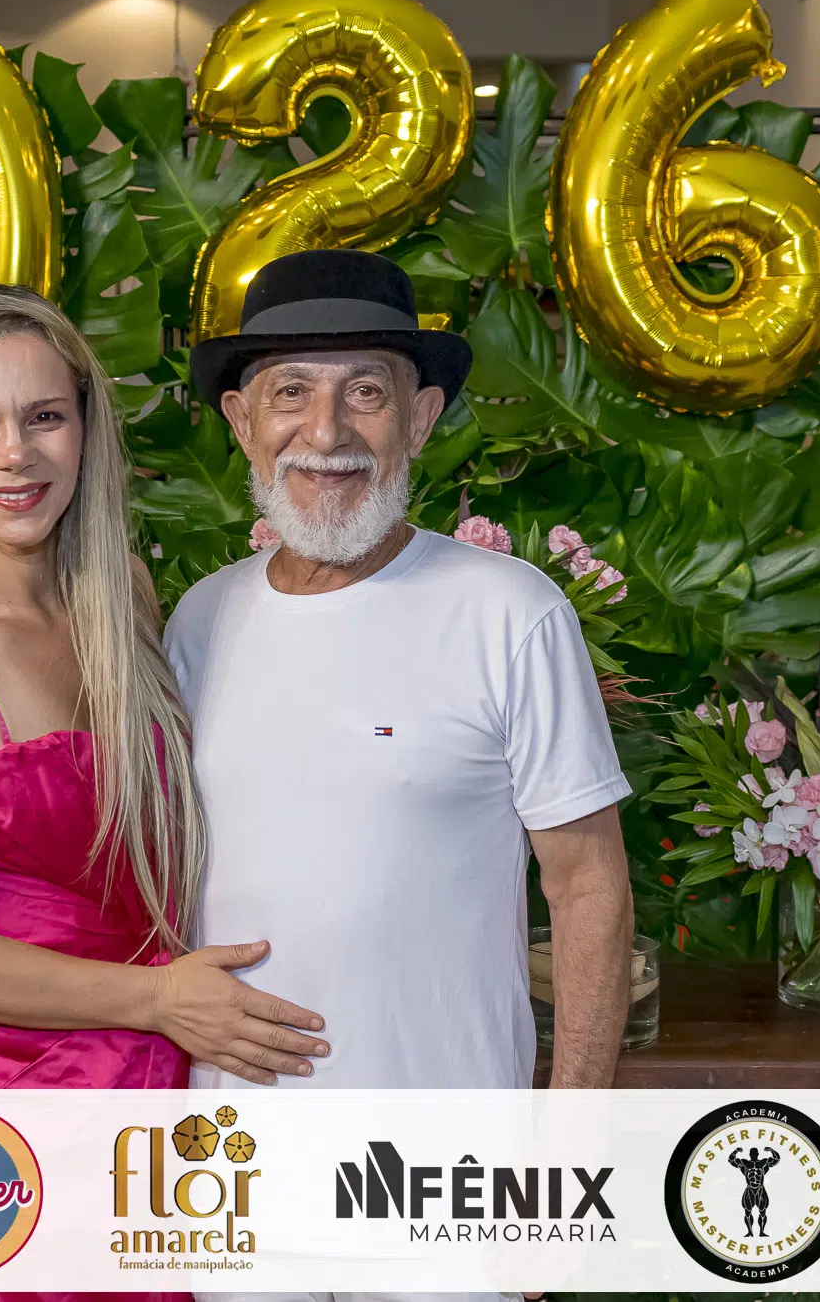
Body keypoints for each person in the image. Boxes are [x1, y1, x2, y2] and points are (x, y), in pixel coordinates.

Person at [0, 284, 328, 1107]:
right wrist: (159, 997)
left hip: (169, 1078)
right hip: (3, 1100)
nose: (14, 452)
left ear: (85, 429)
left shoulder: (122, 596)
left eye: (44, 417)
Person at [167, 249, 636, 1107]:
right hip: (231, 1145)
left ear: (419, 420)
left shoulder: (512, 613)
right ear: (242, 421)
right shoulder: (201, 619)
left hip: (441, 1147)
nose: (326, 432)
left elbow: (588, 888)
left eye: (365, 392)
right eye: (291, 391)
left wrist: (572, 1138)